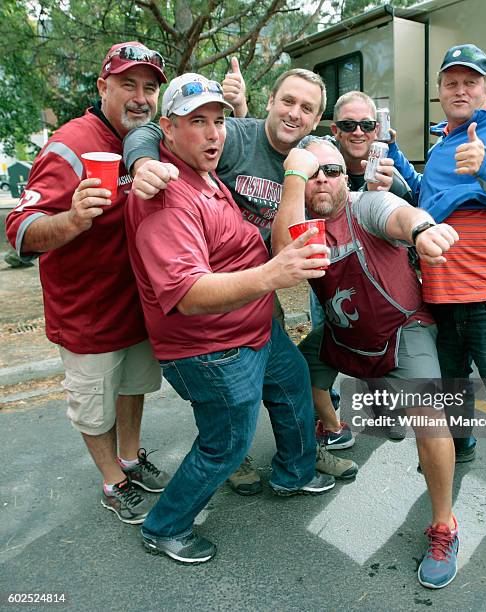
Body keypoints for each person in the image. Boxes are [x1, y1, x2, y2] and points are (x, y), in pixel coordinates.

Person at [124, 73, 337, 563]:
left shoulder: (205, 171)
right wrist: (273, 273)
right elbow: (188, 293)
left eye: (219, 121)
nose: (214, 133)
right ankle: (165, 527)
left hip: (255, 328)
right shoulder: (166, 196)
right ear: (168, 130)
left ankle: (295, 471)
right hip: (212, 349)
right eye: (196, 121)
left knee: (292, 382)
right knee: (227, 444)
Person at [272, 136, 461, 589]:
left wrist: (421, 229)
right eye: (311, 172)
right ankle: (334, 428)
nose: (323, 180)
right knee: (293, 374)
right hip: (344, 333)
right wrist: (292, 182)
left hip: (400, 330)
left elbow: (399, 216)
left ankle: (444, 526)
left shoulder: (365, 206)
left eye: (332, 171)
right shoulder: (300, 224)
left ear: (347, 176)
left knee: (431, 421)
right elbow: (281, 253)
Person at [387, 44, 486, 544]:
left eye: (470, 81)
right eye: (451, 83)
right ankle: (460, 448)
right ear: (439, 93)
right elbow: (426, 201)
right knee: (452, 386)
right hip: (440, 292)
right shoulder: (441, 144)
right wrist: (394, 158)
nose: (460, 90)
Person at [5, 42, 171, 525]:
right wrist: (73, 219)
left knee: (135, 387)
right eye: (127, 85)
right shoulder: (71, 143)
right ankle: (112, 481)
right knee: (94, 409)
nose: (140, 98)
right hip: (87, 315)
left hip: (136, 307)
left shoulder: (149, 139)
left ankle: (131, 459)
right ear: (103, 87)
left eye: (149, 88)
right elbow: (20, 229)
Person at [314, 90, 415, 447]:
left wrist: (388, 195)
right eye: (348, 124)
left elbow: (409, 220)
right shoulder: (319, 162)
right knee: (316, 352)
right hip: (323, 281)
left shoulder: (391, 175)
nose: (358, 131)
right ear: (335, 130)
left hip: (372, 285)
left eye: (367, 124)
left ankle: (383, 406)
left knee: (374, 342)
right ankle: (329, 423)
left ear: (378, 130)